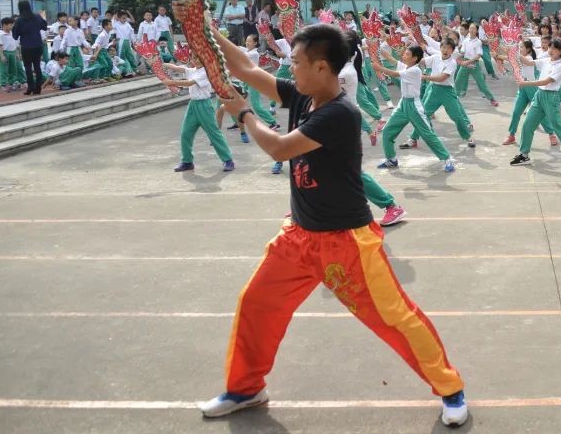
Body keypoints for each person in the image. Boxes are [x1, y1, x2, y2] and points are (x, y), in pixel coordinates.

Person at [200, 23, 467, 425]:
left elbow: (278, 147)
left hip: (347, 243)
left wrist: (244, 112)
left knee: (395, 317)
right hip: (298, 237)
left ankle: (450, 389)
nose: (289, 70)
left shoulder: (339, 113)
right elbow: (244, 69)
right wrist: (203, 26)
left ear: (322, 67)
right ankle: (246, 387)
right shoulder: (302, 95)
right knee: (256, 304)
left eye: (295, 62)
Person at [374, 45, 458, 173]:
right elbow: (391, 59)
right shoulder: (406, 66)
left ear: (414, 58)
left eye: (407, 55)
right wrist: (376, 48)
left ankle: (447, 159)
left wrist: (379, 68)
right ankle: (391, 159)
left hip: (414, 106)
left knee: (427, 134)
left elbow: (394, 73)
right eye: (405, 54)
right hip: (403, 104)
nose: (404, 56)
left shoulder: (415, 70)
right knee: (387, 131)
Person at [509, 38, 561, 169]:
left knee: (557, 126)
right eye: (550, 48)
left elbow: (545, 82)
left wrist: (525, 83)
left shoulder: (559, 66)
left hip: (551, 97)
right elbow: (527, 61)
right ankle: (524, 154)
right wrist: (513, 50)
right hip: (539, 96)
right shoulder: (546, 60)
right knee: (527, 124)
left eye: (554, 48)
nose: (551, 50)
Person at [160, 56, 236, 173]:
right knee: (185, 134)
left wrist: (171, 82)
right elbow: (177, 68)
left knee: (213, 133)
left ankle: (228, 160)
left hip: (204, 105)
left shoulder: (205, 72)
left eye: (197, 58)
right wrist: (161, 63)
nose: (195, 60)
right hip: (193, 105)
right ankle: (187, 162)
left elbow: (190, 83)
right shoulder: (192, 71)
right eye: (193, 57)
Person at [403, 37, 476, 151]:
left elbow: (442, 78)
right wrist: (411, 55)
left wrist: (425, 77)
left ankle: (467, 137)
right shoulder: (436, 57)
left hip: (447, 92)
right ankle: (413, 139)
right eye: (443, 47)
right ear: (440, 48)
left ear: (452, 50)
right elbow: (422, 61)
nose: (445, 50)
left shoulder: (452, 63)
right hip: (434, 91)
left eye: (448, 48)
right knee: (423, 115)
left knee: (457, 116)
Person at [454, 23, 498, 107]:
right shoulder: (465, 41)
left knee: (481, 84)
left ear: (477, 31)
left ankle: (492, 99)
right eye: (470, 28)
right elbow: (463, 52)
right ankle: (453, 100)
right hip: (465, 64)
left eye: (473, 29)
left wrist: (469, 62)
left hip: (474, 64)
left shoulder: (478, 42)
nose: (471, 30)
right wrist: (456, 56)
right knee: (458, 82)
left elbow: (479, 55)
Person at [12, 1, 48, 95]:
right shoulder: (36, 16)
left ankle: (30, 88)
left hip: (26, 46)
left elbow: (15, 35)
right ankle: (38, 88)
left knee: (28, 67)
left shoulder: (19, 20)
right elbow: (44, 26)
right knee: (37, 66)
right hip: (37, 45)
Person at [0, 17, 27, 91]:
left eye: (12, 25)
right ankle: (3, 84)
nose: (12, 26)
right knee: (3, 69)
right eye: (10, 25)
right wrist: (2, 55)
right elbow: (0, 45)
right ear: (4, 25)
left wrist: (17, 53)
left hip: (13, 52)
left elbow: (16, 44)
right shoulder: (1, 34)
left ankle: (12, 82)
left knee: (13, 69)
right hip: (5, 52)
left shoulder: (13, 33)